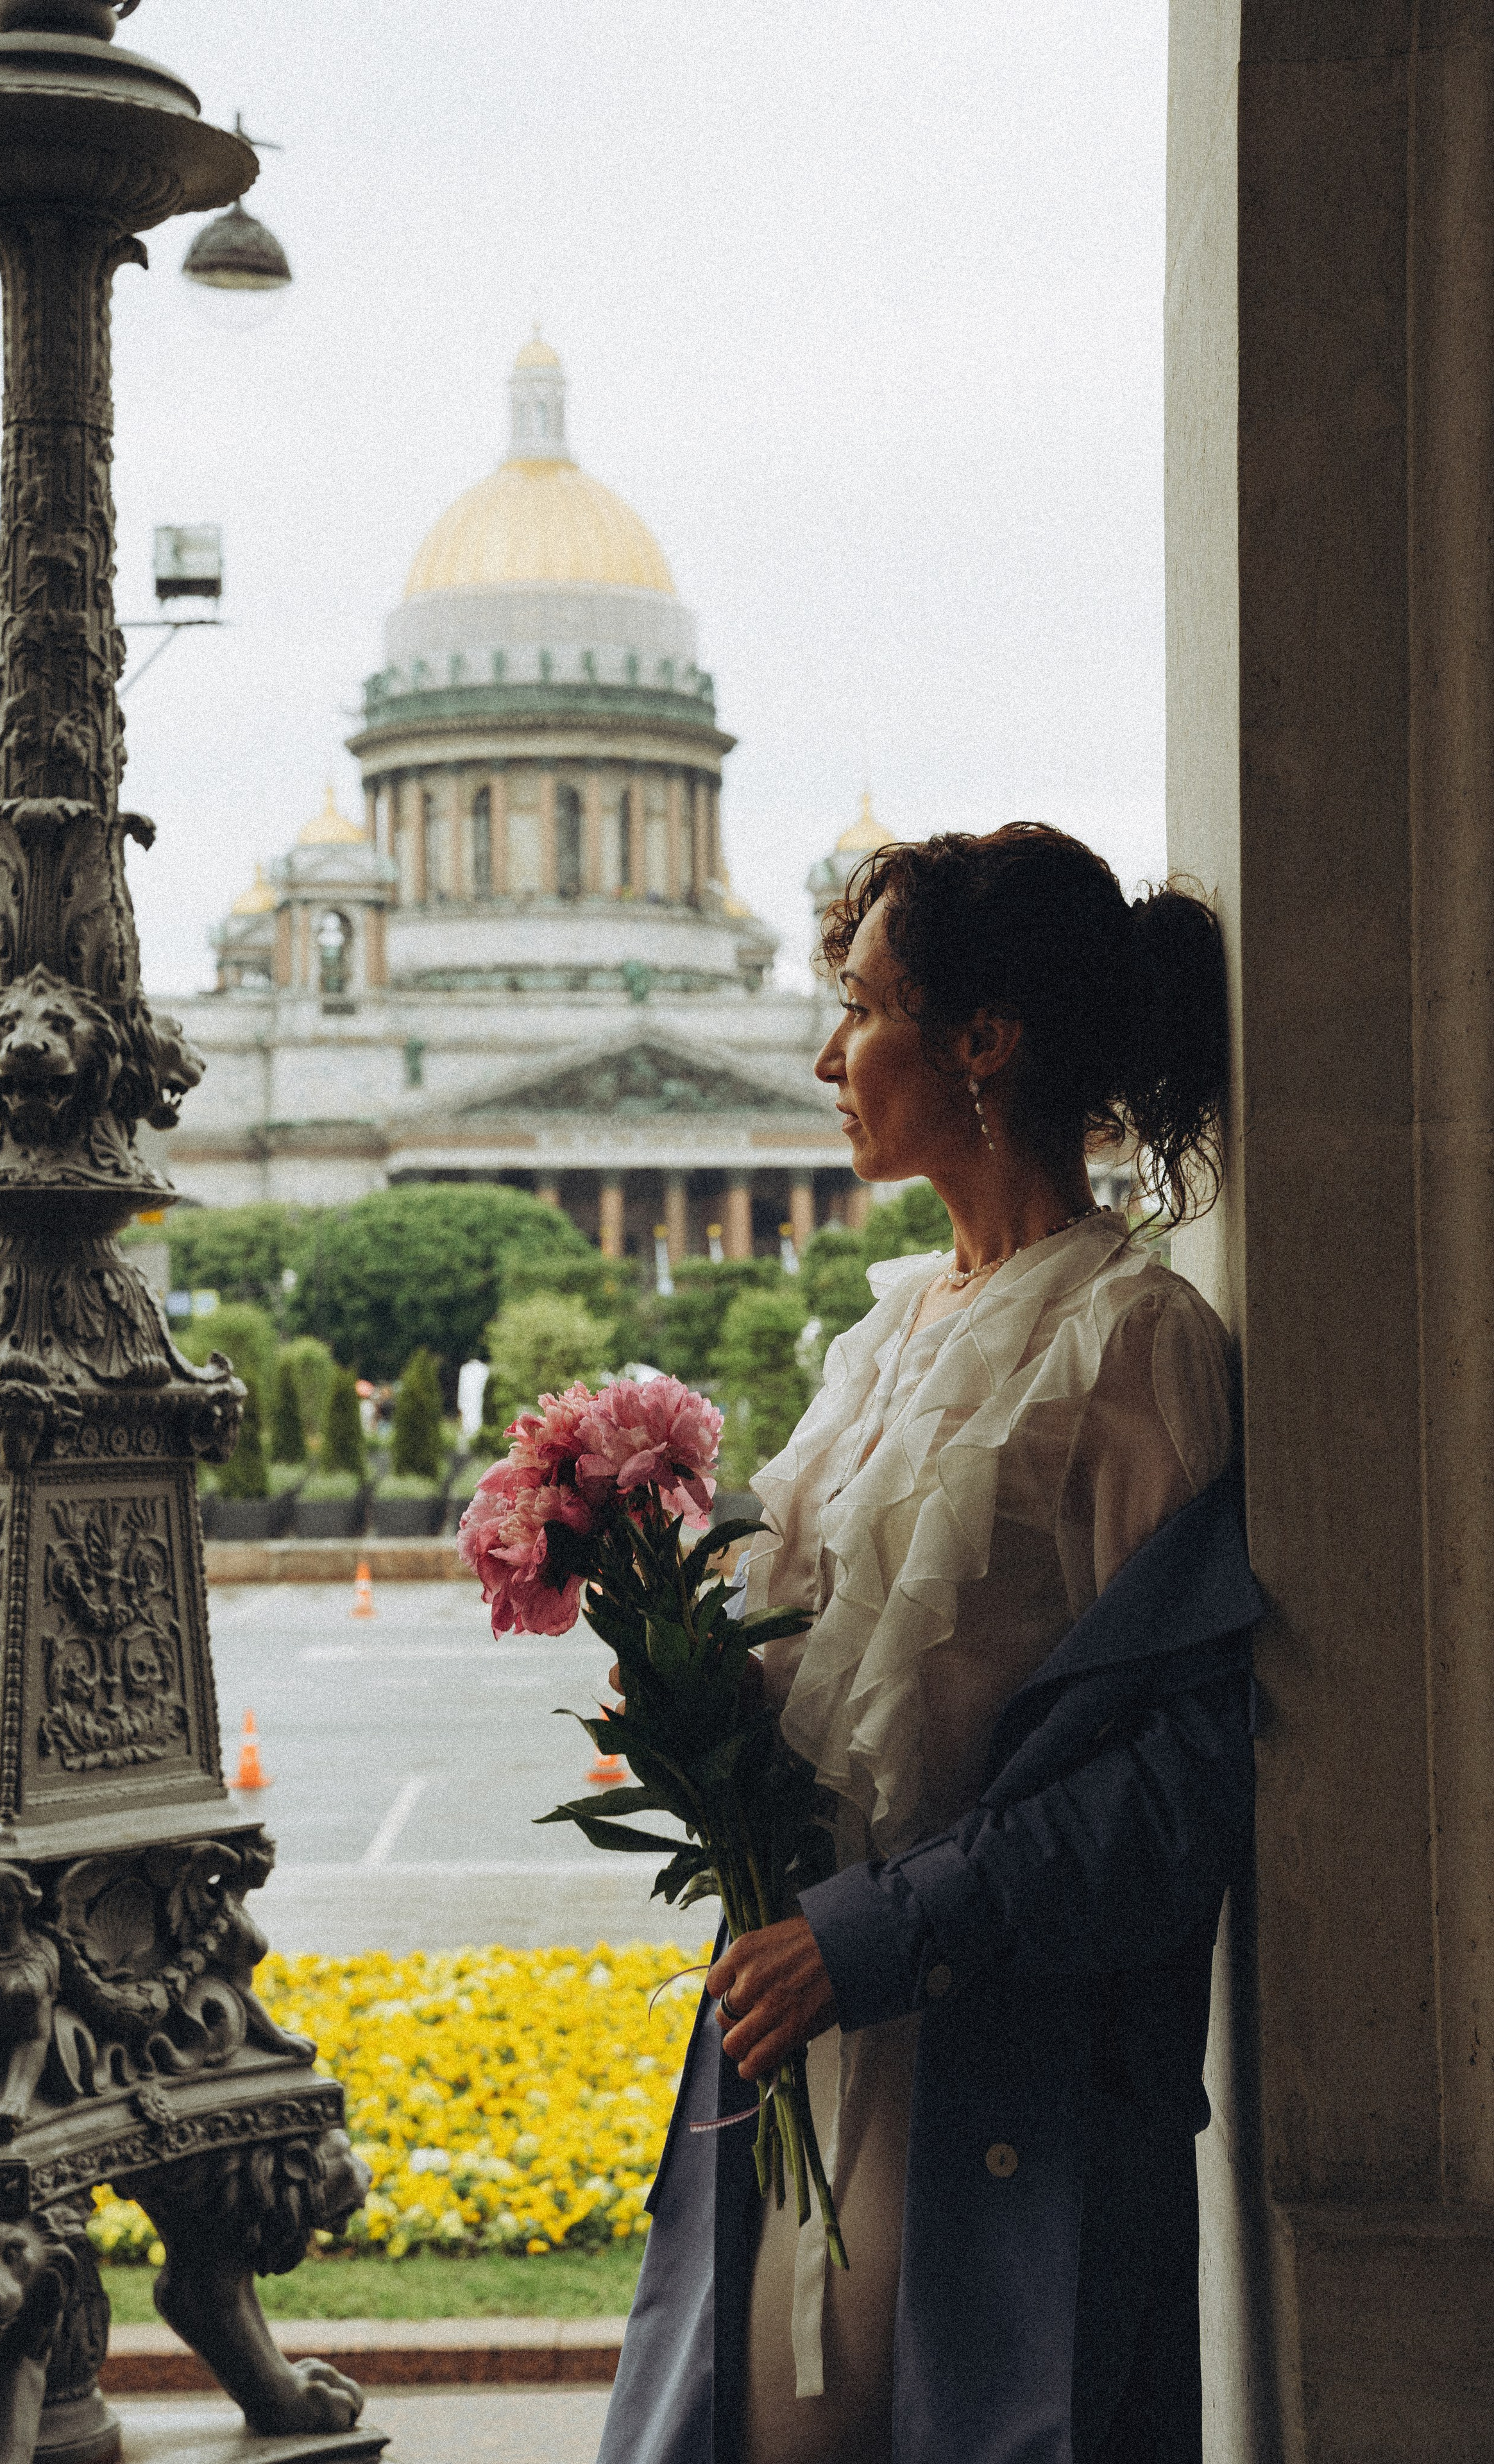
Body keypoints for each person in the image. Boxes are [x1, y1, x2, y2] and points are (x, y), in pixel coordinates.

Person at [597, 823, 1262, 2464]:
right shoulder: (888, 1331)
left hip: (991, 2090)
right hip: (795, 2040)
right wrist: (693, 1701)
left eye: (863, 1007)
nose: (828, 1053)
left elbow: (1176, 1792)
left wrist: (875, 1937)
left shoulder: (1131, 1342)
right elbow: (844, 1696)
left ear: (982, 1042)